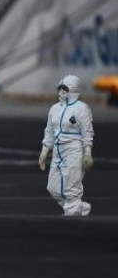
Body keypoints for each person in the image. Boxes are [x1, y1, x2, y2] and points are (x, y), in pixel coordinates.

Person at [38, 74, 94, 216]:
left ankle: (73, 214)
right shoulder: (54, 109)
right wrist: (44, 151)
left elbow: (87, 132)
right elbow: (49, 131)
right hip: (58, 150)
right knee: (53, 187)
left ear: (73, 90)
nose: (62, 91)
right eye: (60, 88)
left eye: (65, 88)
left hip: (74, 149)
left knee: (70, 187)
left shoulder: (82, 109)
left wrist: (87, 153)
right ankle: (78, 207)